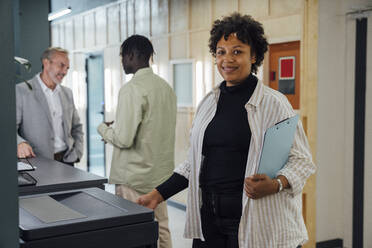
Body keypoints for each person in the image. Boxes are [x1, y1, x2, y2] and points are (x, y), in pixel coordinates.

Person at [137, 13, 316, 248]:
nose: (227, 59)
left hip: (253, 219)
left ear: (254, 56)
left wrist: (276, 184)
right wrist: (158, 194)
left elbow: (302, 161)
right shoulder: (209, 102)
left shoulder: (274, 104)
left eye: (237, 51)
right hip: (210, 219)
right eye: (221, 52)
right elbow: (194, 162)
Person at [97, 35, 177, 248]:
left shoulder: (131, 89)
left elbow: (123, 139)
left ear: (132, 55)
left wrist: (104, 129)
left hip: (133, 179)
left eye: (123, 56)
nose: (122, 61)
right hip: (160, 178)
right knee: (161, 228)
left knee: (132, 234)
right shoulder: (166, 88)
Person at [16, 47, 84, 166]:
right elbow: (9, 129)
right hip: (37, 161)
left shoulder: (67, 93)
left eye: (67, 68)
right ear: (46, 63)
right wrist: (19, 143)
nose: (64, 72)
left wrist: (77, 153)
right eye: (61, 65)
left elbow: (76, 127)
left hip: (67, 161)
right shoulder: (22, 91)